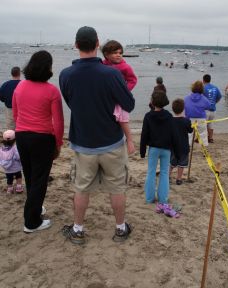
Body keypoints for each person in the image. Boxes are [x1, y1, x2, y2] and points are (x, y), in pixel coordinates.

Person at [59, 26, 135, 245]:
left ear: (76, 45)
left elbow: (72, 103)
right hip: (111, 141)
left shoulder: (66, 75)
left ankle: (78, 230)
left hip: (83, 143)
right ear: (97, 44)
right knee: (117, 187)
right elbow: (128, 104)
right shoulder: (111, 73)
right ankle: (120, 229)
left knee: (81, 189)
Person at [12, 51, 64, 233]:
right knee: (40, 179)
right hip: (42, 138)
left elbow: (15, 114)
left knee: (30, 176)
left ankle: (36, 207)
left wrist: (21, 130)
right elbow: (58, 122)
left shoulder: (19, 87)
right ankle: (31, 222)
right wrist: (58, 144)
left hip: (22, 136)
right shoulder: (52, 91)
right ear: (47, 69)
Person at [101, 40, 137, 155]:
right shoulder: (102, 65)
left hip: (120, 98)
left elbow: (133, 80)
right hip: (107, 97)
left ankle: (129, 139)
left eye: (120, 53)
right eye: (115, 52)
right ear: (106, 54)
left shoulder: (125, 67)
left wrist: (124, 90)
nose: (118, 55)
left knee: (123, 118)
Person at [140, 90, 173, 204]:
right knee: (164, 173)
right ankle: (163, 199)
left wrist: (142, 151)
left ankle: (149, 199)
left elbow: (144, 134)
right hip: (166, 149)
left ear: (152, 102)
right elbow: (172, 133)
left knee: (151, 172)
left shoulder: (148, 116)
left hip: (154, 148)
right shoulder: (169, 116)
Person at [170, 99, 193, 185]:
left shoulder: (170, 120)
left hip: (173, 146)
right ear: (183, 109)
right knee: (181, 164)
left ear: (172, 109)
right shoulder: (186, 121)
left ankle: (168, 176)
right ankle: (178, 178)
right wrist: (193, 126)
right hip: (183, 146)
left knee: (172, 162)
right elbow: (190, 130)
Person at [184, 80, 211, 146]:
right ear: (202, 89)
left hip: (189, 119)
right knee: (203, 135)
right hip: (201, 119)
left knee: (189, 135)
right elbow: (209, 106)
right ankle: (204, 150)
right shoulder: (204, 98)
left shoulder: (186, 98)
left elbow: (183, 106)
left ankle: (188, 149)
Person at [0, 129, 23, 194]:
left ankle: (10, 189)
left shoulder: (1, 149)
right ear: (15, 140)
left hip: (7, 169)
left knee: (9, 178)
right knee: (18, 176)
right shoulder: (15, 148)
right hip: (16, 168)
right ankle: (19, 187)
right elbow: (18, 157)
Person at [203, 74, 222, 143]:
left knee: (203, 125)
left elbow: (199, 98)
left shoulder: (203, 87)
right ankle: (210, 138)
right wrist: (214, 102)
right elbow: (219, 97)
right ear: (210, 80)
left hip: (205, 110)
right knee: (210, 123)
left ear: (203, 80)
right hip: (213, 109)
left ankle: (204, 138)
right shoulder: (215, 87)